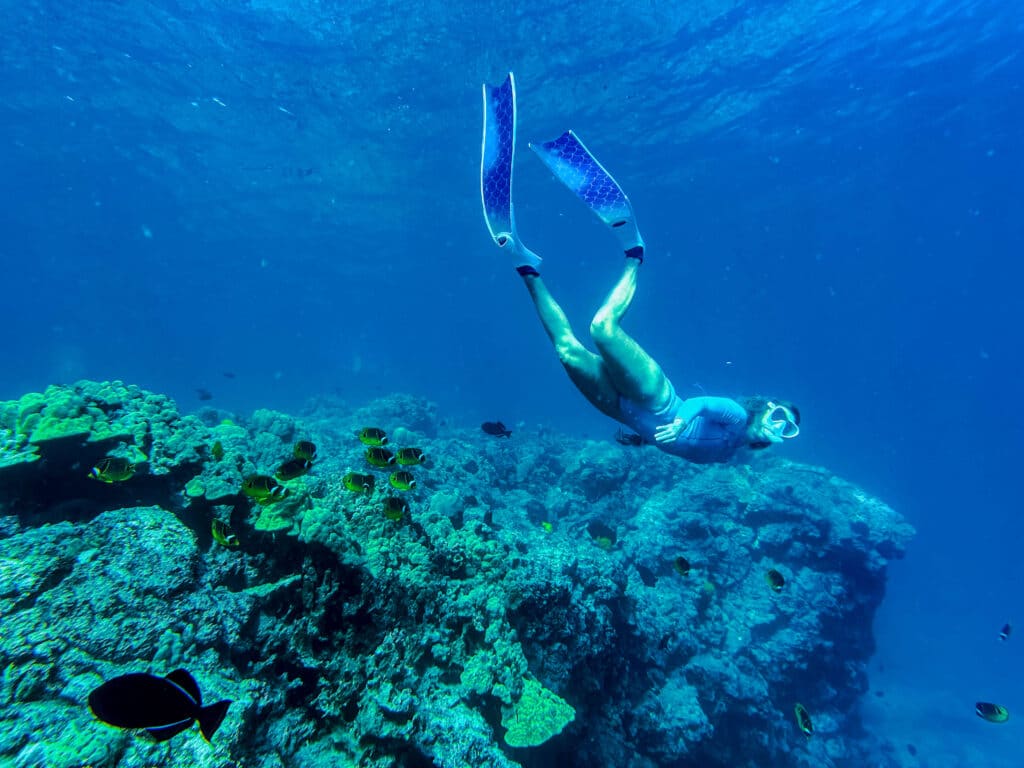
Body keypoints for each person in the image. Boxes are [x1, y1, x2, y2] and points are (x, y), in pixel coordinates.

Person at [480, 74, 800, 463]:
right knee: (602, 327)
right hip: (656, 397)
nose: (778, 426)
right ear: (766, 407)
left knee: (566, 351)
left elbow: (689, 445)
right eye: (780, 416)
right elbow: (701, 404)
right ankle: (635, 253)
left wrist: (645, 440)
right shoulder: (735, 418)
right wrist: (679, 423)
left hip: (623, 412)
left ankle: (525, 266)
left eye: (787, 428)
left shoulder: (737, 455)